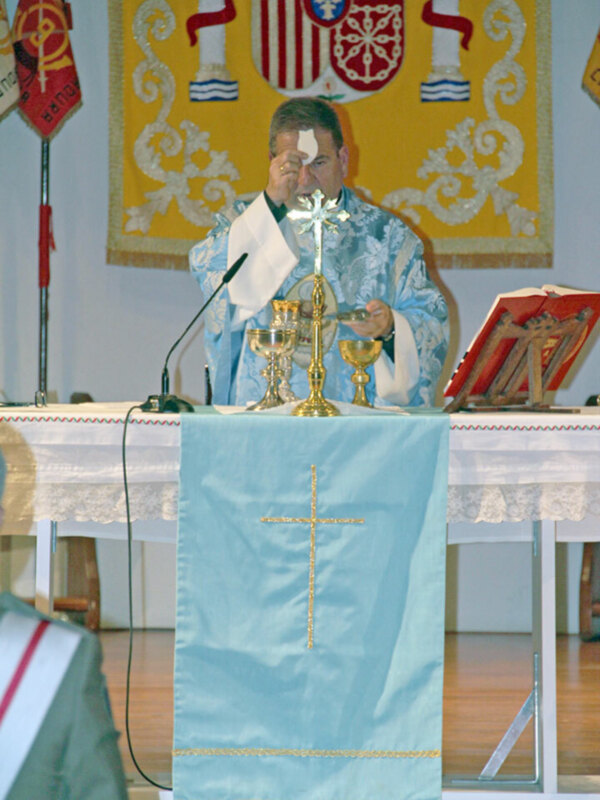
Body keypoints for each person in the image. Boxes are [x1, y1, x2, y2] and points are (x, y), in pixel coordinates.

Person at [190, 97, 449, 407]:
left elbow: (430, 323)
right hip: (262, 421)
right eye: (292, 165)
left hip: (356, 427)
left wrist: (391, 328)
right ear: (271, 162)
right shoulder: (245, 225)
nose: (304, 179)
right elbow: (211, 277)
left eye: (319, 162)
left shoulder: (389, 238)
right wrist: (271, 203)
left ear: (343, 159)